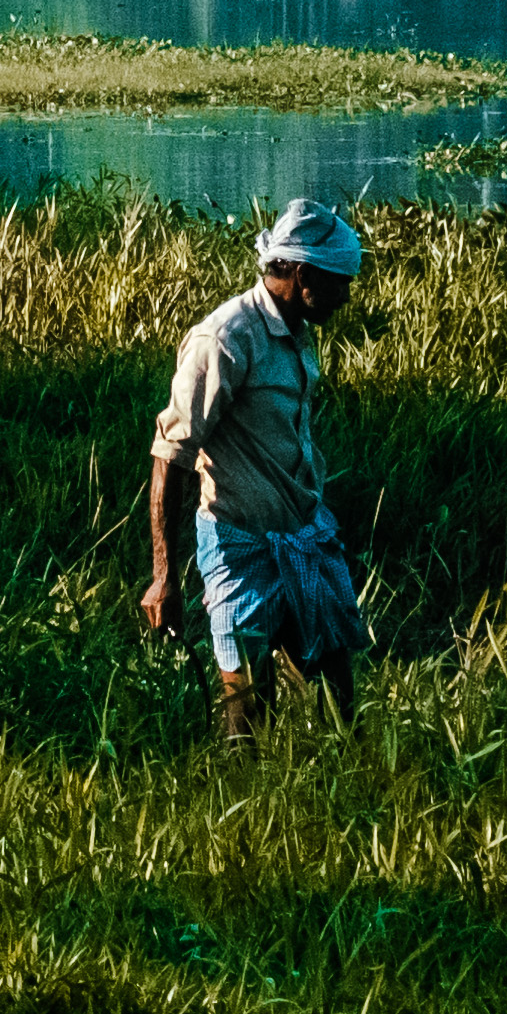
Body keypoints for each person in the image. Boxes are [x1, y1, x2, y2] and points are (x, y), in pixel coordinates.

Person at [140, 195, 369, 731]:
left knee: (339, 694)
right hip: (238, 543)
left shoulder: (297, 330)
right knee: (247, 705)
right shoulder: (223, 339)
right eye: (339, 282)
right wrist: (164, 578)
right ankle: (241, 798)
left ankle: (348, 792)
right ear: (302, 274)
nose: (346, 296)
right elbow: (170, 458)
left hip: (305, 533)